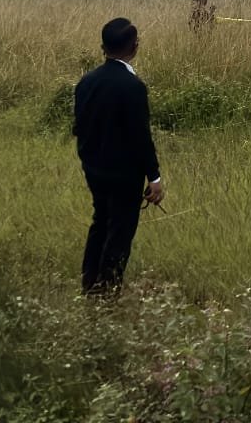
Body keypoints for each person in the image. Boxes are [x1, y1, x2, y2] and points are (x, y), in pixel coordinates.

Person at [73, 17, 164, 294]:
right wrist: (154, 177)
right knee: (120, 233)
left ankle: (89, 283)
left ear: (103, 47)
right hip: (124, 176)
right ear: (134, 47)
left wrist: (88, 160)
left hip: (95, 171)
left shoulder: (86, 82)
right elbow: (141, 137)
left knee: (100, 222)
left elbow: (80, 127)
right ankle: (107, 292)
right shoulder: (133, 86)